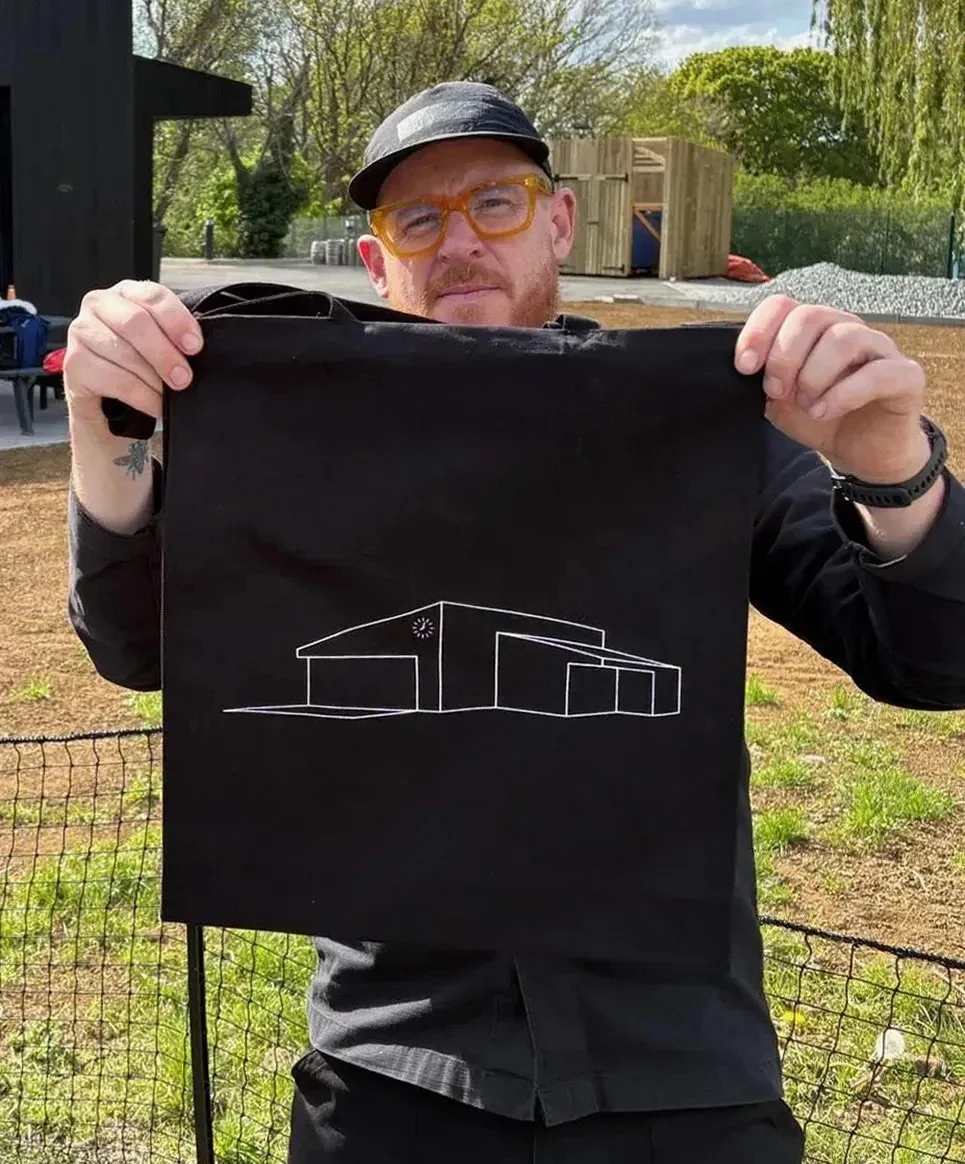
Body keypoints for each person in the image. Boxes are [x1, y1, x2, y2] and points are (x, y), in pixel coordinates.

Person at [65, 82, 965, 1164]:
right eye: (418, 218)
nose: (459, 243)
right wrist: (108, 447)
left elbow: (928, 659)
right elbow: (141, 650)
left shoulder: (684, 426)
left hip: (676, 1065)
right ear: (374, 258)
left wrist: (890, 472)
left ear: (557, 221)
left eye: (494, 200)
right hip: (392, 1063)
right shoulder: (301, 452)